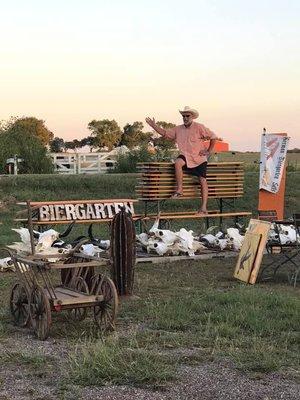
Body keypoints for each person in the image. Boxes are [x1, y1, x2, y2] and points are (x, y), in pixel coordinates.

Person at [145, 106, 217, 215]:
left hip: (199, 159)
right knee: (178, 162)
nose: (185, 118)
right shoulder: (178, 129)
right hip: (186, 157)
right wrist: (154, 126)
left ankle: (203, 207)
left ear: (192, 117)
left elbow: (213, 137)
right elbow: (165, 133)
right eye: (183, 116)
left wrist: (208, 151)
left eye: (187, 116)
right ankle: (179, 190)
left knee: (203, 180)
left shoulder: (199, 127)